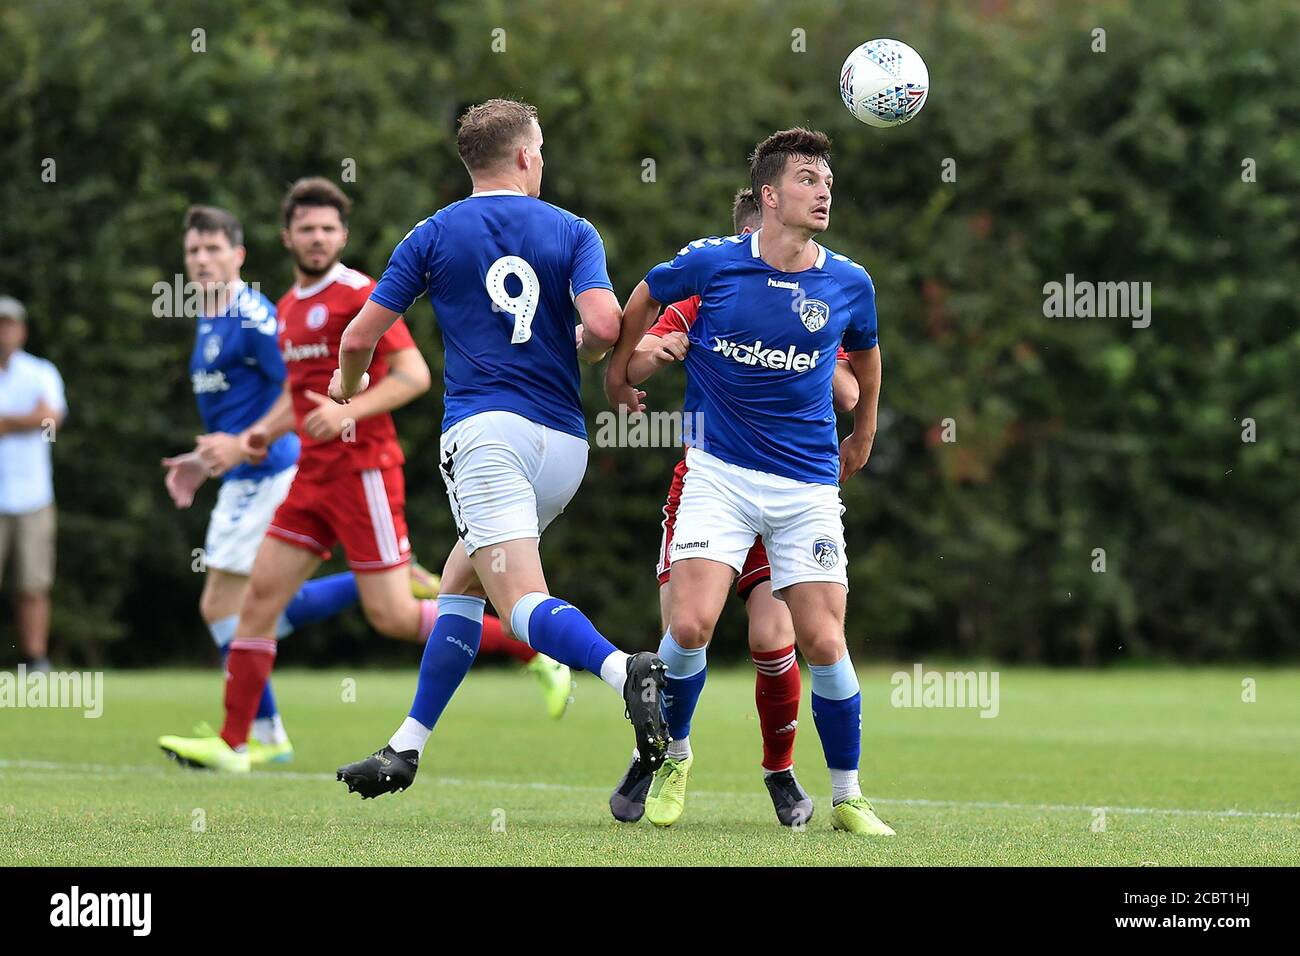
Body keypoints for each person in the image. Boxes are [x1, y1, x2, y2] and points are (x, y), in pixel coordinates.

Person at [158, 178, 567, 772]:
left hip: (365, 476)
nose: (318, 238)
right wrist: (260, 435)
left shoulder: (358, 294)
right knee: (256, 605)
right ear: (287, 237)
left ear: (342, 235)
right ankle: (235, 743)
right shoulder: (289, 309)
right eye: (307, 229)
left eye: (328, 229)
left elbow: (412, 376)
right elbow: (297, 400)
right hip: (309, 481)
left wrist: (348, 410)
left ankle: (532, 653)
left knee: (395, 617)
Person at [333, 98, 667, 802]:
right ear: (523, 157)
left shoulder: (432, 233)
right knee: (460, 583)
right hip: (563, 448)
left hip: (487, 437)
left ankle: (621, 670)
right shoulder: (573, 229)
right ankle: (406, 748)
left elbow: (360, 338)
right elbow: (606, 324)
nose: (541, 162)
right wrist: (584, 343)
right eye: (539, 152)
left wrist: (345, 386)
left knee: (517, 600)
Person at [604, 127, 894, 836]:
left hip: (804, 488)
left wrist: (863, 434)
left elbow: (868, 358)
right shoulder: (712, 265)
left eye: (827, 180)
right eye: (805, 178)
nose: (823, 190)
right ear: (769, 195)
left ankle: (848, 795)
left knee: (820, 642)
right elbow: (643, 293)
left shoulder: (849, 282)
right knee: (690, 623)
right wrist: (619, 372)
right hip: (719, 476)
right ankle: (673, 755)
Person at [159, 205, 366, 764]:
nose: (202, 259)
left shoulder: (253, 317)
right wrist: (207, 461)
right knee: (250, 605)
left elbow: (297, 391)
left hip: (273, 470)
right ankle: (265, 731)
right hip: (246, 475)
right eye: (194, 250)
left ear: (239, 255)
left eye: (213, 249)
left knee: (231, 606)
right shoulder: (210, 313)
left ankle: (253, 735)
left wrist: (244, 441)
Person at [0, 296, 66, 674]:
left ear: (21, 330)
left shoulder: (41, 372)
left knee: (33, 583)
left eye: (10, 324)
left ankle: (34, 659)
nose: (5, 332)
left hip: (33, 496)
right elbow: (39, 418)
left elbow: (50, 424)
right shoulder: (38, 382)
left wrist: (7, 423)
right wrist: (27, 418)